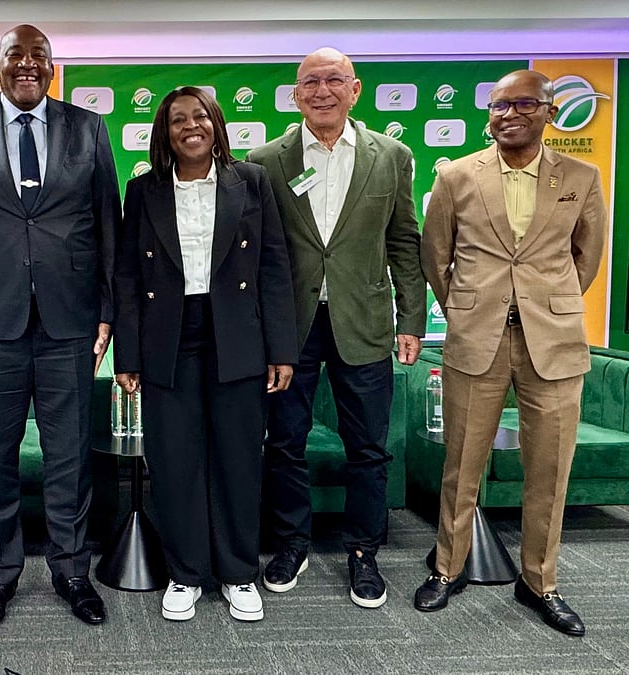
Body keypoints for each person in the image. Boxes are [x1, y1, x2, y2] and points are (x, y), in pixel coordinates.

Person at [0, 23, 120, 630]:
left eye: (40, 56)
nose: (28, 65)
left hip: (69, 322)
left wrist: (109, 311)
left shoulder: (87, 127)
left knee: (69, 457)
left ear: (53, 68)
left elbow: (108, 223)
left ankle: (71, 571)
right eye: (16, 55)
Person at [415, 70, 606, 636]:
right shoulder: (455, 176)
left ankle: (539, 581)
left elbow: (586, 259)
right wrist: (469, 311)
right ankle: (447, 568)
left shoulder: (581, 176)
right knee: (462, 465)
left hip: (554, 342)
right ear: (488, 114)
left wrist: (548, 304)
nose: (509, 114)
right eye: (499, 105)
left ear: (549, 112)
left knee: (549, 470)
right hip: (477, 339)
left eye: (524, 104)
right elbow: (436, 257)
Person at [246, 47, 425, 609]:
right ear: (295, 95)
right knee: (285, 443)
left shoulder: (390, 155)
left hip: (364, 320)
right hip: (287, 327)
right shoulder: (265, 159)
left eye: (333, 81)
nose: (321, 91)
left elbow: (403, 240)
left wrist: (411, 317)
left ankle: (363, 552)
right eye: (309, 83)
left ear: (355, 89)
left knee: (368, 448)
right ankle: (291, 543)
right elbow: (254, 253)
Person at [113, 87, 297, 623]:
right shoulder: (142, 190)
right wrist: (127, 354)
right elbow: (127, 277)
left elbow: (273, 267)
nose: (190, 126)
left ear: (216, 124)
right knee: (174, 461)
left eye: (200, 116)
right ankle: (186, 573)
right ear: (164, 132)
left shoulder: (253, 182)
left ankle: (239, 573)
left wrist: (280, 348)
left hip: (237, 333)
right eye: (177, 120)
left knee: (238, 458)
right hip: (168, 336)